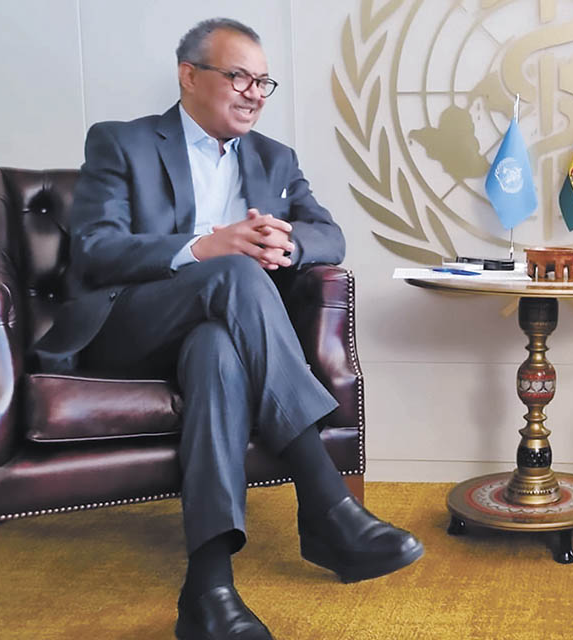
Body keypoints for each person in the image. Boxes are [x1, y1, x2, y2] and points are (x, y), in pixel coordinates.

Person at [31, 18, 423, 640]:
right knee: (235, 273)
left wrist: (284, 242)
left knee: (217, 350)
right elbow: (98, 251)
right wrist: (206, 246)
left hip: (222, 334)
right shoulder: (121, 142)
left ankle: (208, 589)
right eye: (238, 76)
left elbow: (331, 234)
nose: (253, 94)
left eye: (264, 82)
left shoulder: (275, 159)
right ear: (189, 76)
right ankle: (324, 501)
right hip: (128, 325)